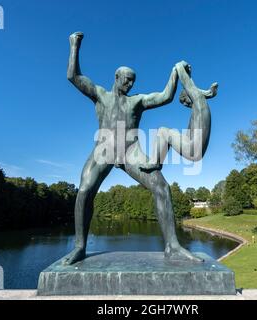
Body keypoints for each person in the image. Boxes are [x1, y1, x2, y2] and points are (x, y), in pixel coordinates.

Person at [63, 31, 202, 265]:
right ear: (116, 77)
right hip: (104, 149)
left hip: (130, 151)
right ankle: (79, 246)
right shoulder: (100, 95)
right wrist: (74, 46)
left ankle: (173, 246)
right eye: (126, 79)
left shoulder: (136, 101)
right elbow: (73, 76)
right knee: (85, 190)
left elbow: (166, 97)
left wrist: (175, 73)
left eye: (132, 81)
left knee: (161, 187)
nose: (129, 84)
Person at [139, 61, 218, 172]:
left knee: (162, 131)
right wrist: (207, 92)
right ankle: (157, 160)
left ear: (191, 95)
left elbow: (188, 86)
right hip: (194, 150)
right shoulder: (197, 111)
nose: (185, 104)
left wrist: (180, 66)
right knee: (168, 133)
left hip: (194, 149)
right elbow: (186, 137)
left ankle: (155, 162)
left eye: (185, 101)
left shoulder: (200, 102)